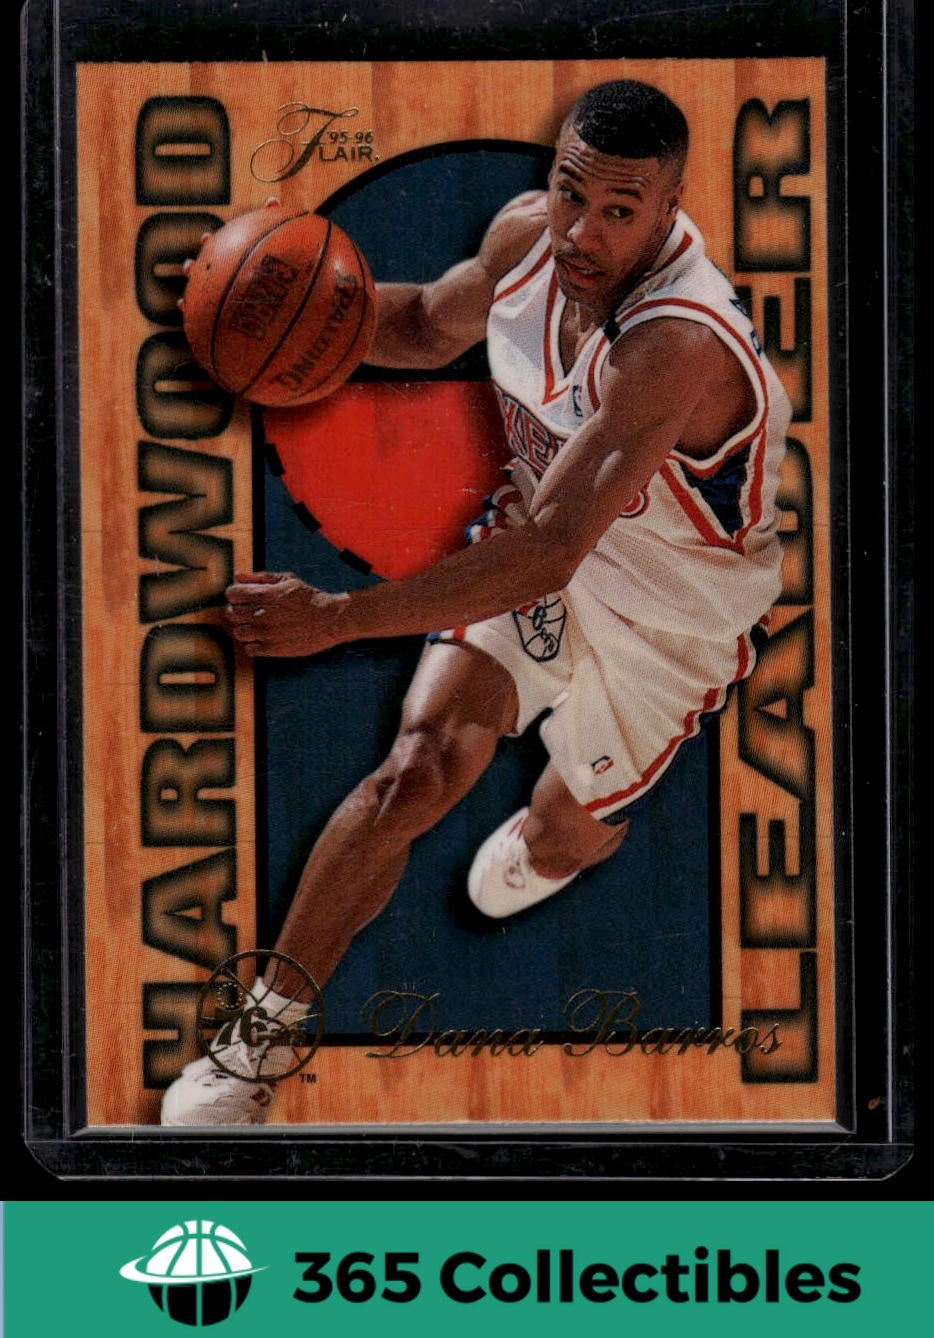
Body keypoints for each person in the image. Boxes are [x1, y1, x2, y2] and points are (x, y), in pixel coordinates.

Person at [161, 79, 792, 1126]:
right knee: (413, 769)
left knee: (557, 836)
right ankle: (253, 1044)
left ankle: (552, 836)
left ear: (670, 206)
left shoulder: (675, 343)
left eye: (619, 209)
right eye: (571, 191)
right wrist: (263, 304)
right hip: (541, 554)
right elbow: (417, 324)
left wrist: (339, 618)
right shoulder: (527, 237)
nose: (582, 231)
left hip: (668, 624)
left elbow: (546, 551)